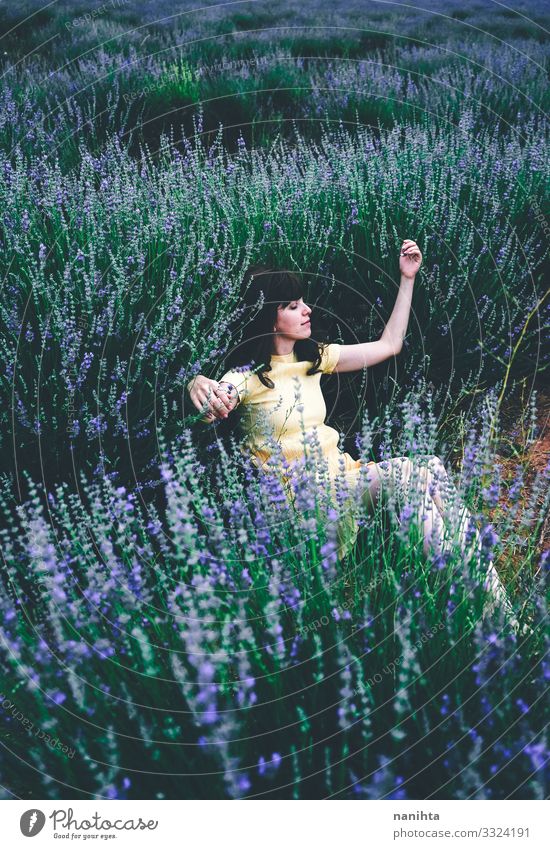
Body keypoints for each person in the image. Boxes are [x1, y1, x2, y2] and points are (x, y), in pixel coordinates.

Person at [187, 241, 523, 631]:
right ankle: (494, 618)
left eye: (302, 302)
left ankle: (495, 610)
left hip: (343, 481)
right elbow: (214, 404)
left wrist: (407, 279)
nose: (306, 309)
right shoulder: (246, 376)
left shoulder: (313, 359)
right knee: (412, 476)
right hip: (303, 505)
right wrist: (197, 386)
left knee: (428, 467)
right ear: (269, 318)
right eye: (292, 305)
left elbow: (389, 345)